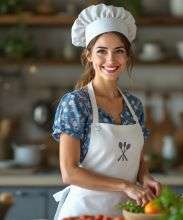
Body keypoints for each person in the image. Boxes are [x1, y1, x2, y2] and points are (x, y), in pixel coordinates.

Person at [52, 3, 161, 220]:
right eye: (102, 51)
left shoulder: (134, 105)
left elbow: (136, 158)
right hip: (83, 213)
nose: (111, 60)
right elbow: (69, 172)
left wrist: (145, 176)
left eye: (118, 51)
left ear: (127, 56)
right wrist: (126, 185)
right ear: (89, 56)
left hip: (126, 213)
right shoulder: (76, 103)